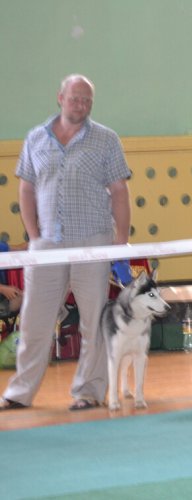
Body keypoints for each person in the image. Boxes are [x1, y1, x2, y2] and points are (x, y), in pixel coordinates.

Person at [0, 74, 132, 411]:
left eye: (87, 100)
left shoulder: (107, 139)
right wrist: (32, 236)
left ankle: (88, 391)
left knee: (94, 321)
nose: (81, 105)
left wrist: (120, 242)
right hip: (47, 245)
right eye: (75, 98)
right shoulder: (34, 139)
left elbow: (119, 191)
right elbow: (26, 188)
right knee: (33, 321)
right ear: (60, 97)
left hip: (94, 239)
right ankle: (20, 392)